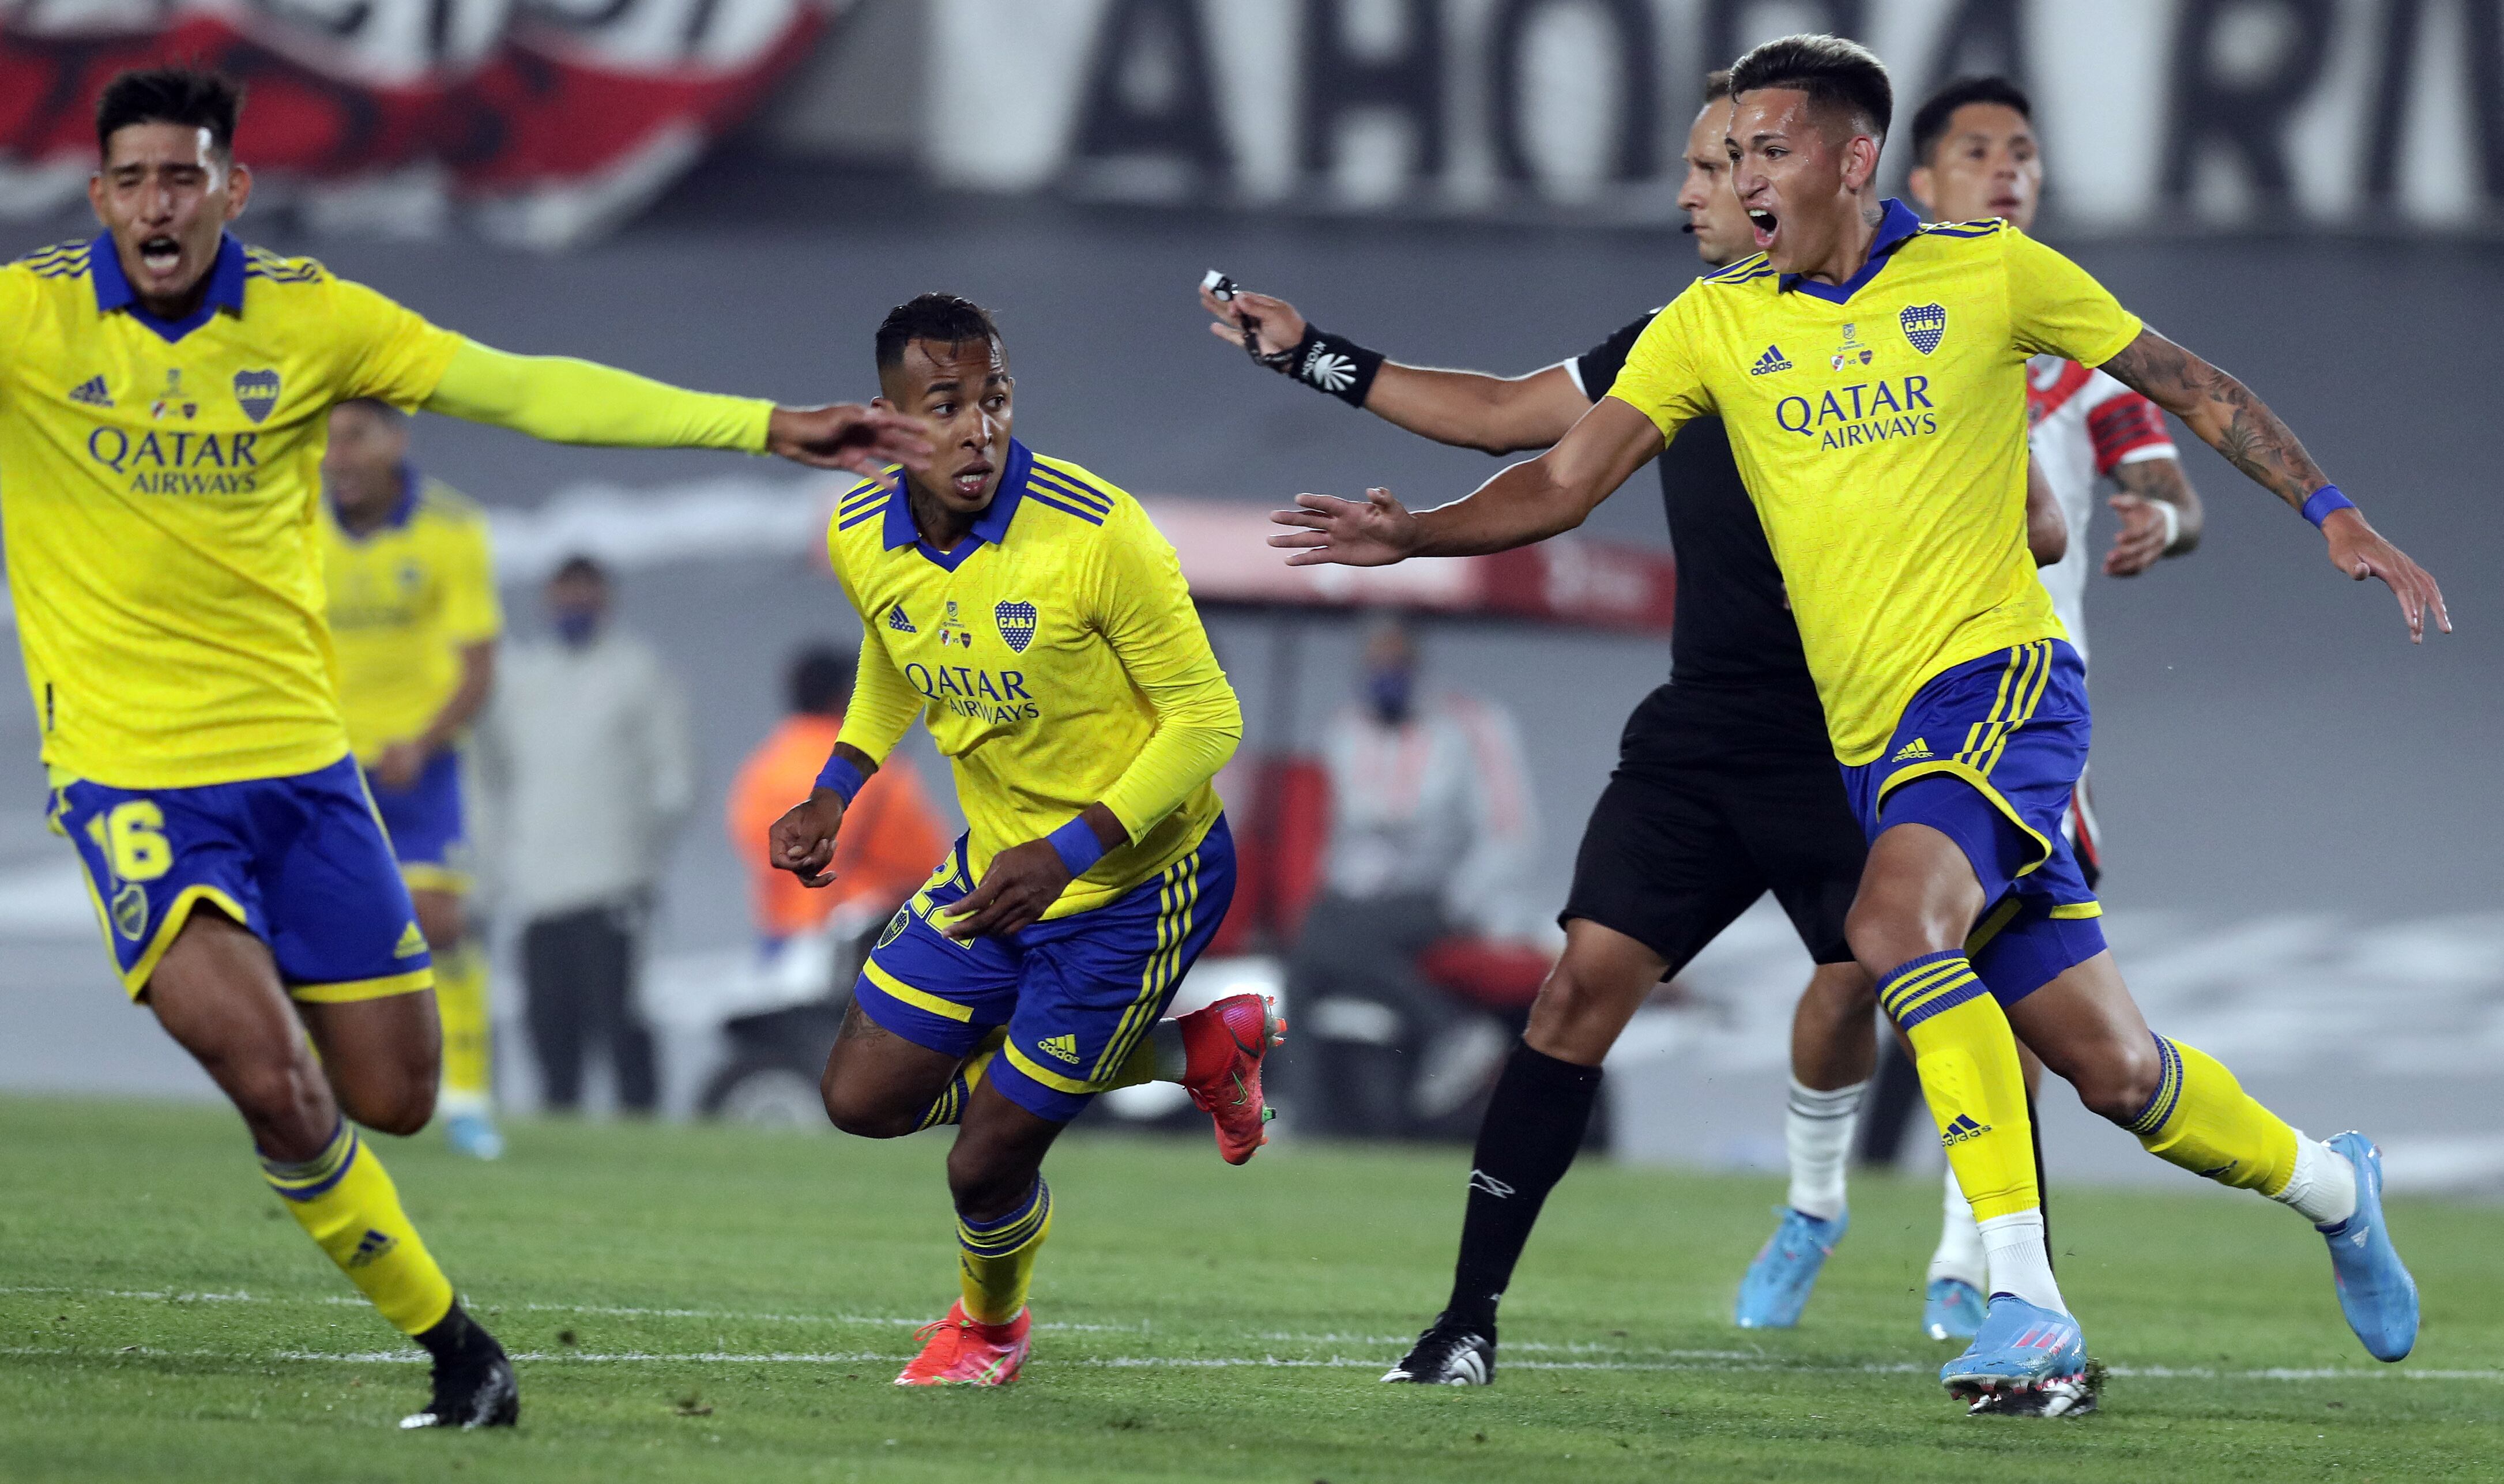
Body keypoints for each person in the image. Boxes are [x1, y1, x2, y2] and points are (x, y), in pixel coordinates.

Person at [1270, 33, 2443, 1412]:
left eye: (1767, 150)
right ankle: (2329, 1182)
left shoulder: (1984, 271)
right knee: (2112, 1067)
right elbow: (1561, 477)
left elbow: (2186, 380)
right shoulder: (1713, 321)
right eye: (1731, 154)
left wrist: (2334, 514)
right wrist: (1413, 538)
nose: (1739, 176)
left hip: (2002, 682)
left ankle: (2021, 1298)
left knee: (1890, 930)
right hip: (1869, 736)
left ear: (1848, 157)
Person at [0, 66, 924, 1429]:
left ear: (230, 190)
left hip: (303, 773)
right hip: (131, 773)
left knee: (399, 1091)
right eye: (132, 179)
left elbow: (526, 389)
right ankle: (458, 1346)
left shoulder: (313, 320)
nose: (158, 202)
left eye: (183, 176)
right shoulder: (29, 316)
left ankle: (340, 1126)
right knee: (276, 1076)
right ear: (98, 197)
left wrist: (760, 424)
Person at [1199, 70, 2061, 1385]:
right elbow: (1505, 421)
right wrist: (1311, 352)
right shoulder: (1689, 333)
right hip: (1706, 735)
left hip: (1861, 733)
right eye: (1708, 165)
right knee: (1574, 991)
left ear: (1796, 175)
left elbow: (2037, 515)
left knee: (2010, 1006)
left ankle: (2029, 1288)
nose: (1694, 194)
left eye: (1721, 166)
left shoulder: (1896, 323)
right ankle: (1466, 1319)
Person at [769, 294, 1284, 1387]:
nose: (977, 428)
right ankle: (1199, 1050)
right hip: (999, 865)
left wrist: (1068, 849)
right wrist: (836, 785)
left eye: (993, 399)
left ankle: (989, 1330)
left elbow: (1208, 720)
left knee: (984, 1154)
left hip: (1138, 881)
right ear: (889, 420)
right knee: (860, 1100)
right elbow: (896, 651)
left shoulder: (1099, 533)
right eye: (945, 405)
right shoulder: (859, 532)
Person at [1843, 71, 2214, 1342]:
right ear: (1920, 181)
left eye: (2024, 155)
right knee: (1885, 964)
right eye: (1977, 152)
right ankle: (1846, 1212)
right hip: (1883, 696)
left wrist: (2155, 519)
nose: (2006, 173)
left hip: (2021, 701)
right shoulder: (1881, 328)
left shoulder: (2070, 343)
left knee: (1982, 972)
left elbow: (2173, 485)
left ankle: (1973, 1254)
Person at [321, 398, 506, 1161]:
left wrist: (422, 742)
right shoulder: (290, 523)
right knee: (322, 933)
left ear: (395, 440)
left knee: (437, 923)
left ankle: (466, 1097)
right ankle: (333, 1094)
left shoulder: (449, 527)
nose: (340, 454)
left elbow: (479, 666)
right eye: (327, 439)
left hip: (419, 768)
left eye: (357, 436)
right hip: (324, 764)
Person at [1287, 615, 1539, 1138]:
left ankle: (1451, 1029)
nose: (1385, 674)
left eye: (1396, 662)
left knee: (1316, 942)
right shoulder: (1345, 729)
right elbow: (1342, 842)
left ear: (1417, 663)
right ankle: (1307, 1123)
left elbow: (1510, 832)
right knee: (1305, 966)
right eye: (1375, 663)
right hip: (1361, 908)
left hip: (1441, 898)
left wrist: (1465, 900)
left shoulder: (1470, 726)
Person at [481, 556, 694, 1117]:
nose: (574, 606)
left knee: (622, 1029)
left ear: (606, 600)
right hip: (538, 891)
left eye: (585, 594)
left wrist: (642, 856)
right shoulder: (522, 679)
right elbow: (493, 776)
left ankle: (644, 1153)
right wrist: (503, 860)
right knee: (550, 1037)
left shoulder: (636, 672)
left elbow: (677, 779)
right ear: (547, 600)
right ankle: (562, 1165)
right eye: (563, 595)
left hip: (613, 887)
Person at [726, 643, 947, 954]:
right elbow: (925, 860)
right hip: (863, 936)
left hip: (784, 935)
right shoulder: (872, 772)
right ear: (844, 697)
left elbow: (751, 844)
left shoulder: (761, 770)